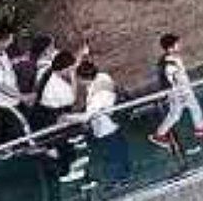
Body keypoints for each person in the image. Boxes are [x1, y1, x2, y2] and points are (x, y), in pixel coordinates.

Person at [150, 33, 203, 151]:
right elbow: (172, 79)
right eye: (177, 44)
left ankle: (199, 128)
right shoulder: (169, 62)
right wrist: (180, 92)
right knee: (176, 114)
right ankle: (159, 135)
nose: (179, 45)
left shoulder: (171, 59)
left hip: (181, 90)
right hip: (179, 92)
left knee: (188, 109)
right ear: (170, 47)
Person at [34, 51, 89, 184]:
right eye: (69, 69)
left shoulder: (47, 70)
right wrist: (73, 78)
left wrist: (79, 56)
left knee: (65, 139)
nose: (72, 71)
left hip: (46, 112)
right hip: (52, 115)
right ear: (64, 68)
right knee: (61, 142)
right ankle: (65, 173)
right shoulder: (56, 86)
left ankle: (72, 162)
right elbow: (72, 99)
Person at [79, 59, 131, 188]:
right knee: (120, 150)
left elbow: (86, 116)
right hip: (114, 122)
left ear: (84, 78)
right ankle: (125, 176)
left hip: (105, 128)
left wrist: (66, 118)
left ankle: (118, 181)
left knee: (112, 155)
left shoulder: (96, 97)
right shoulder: (103, 77)